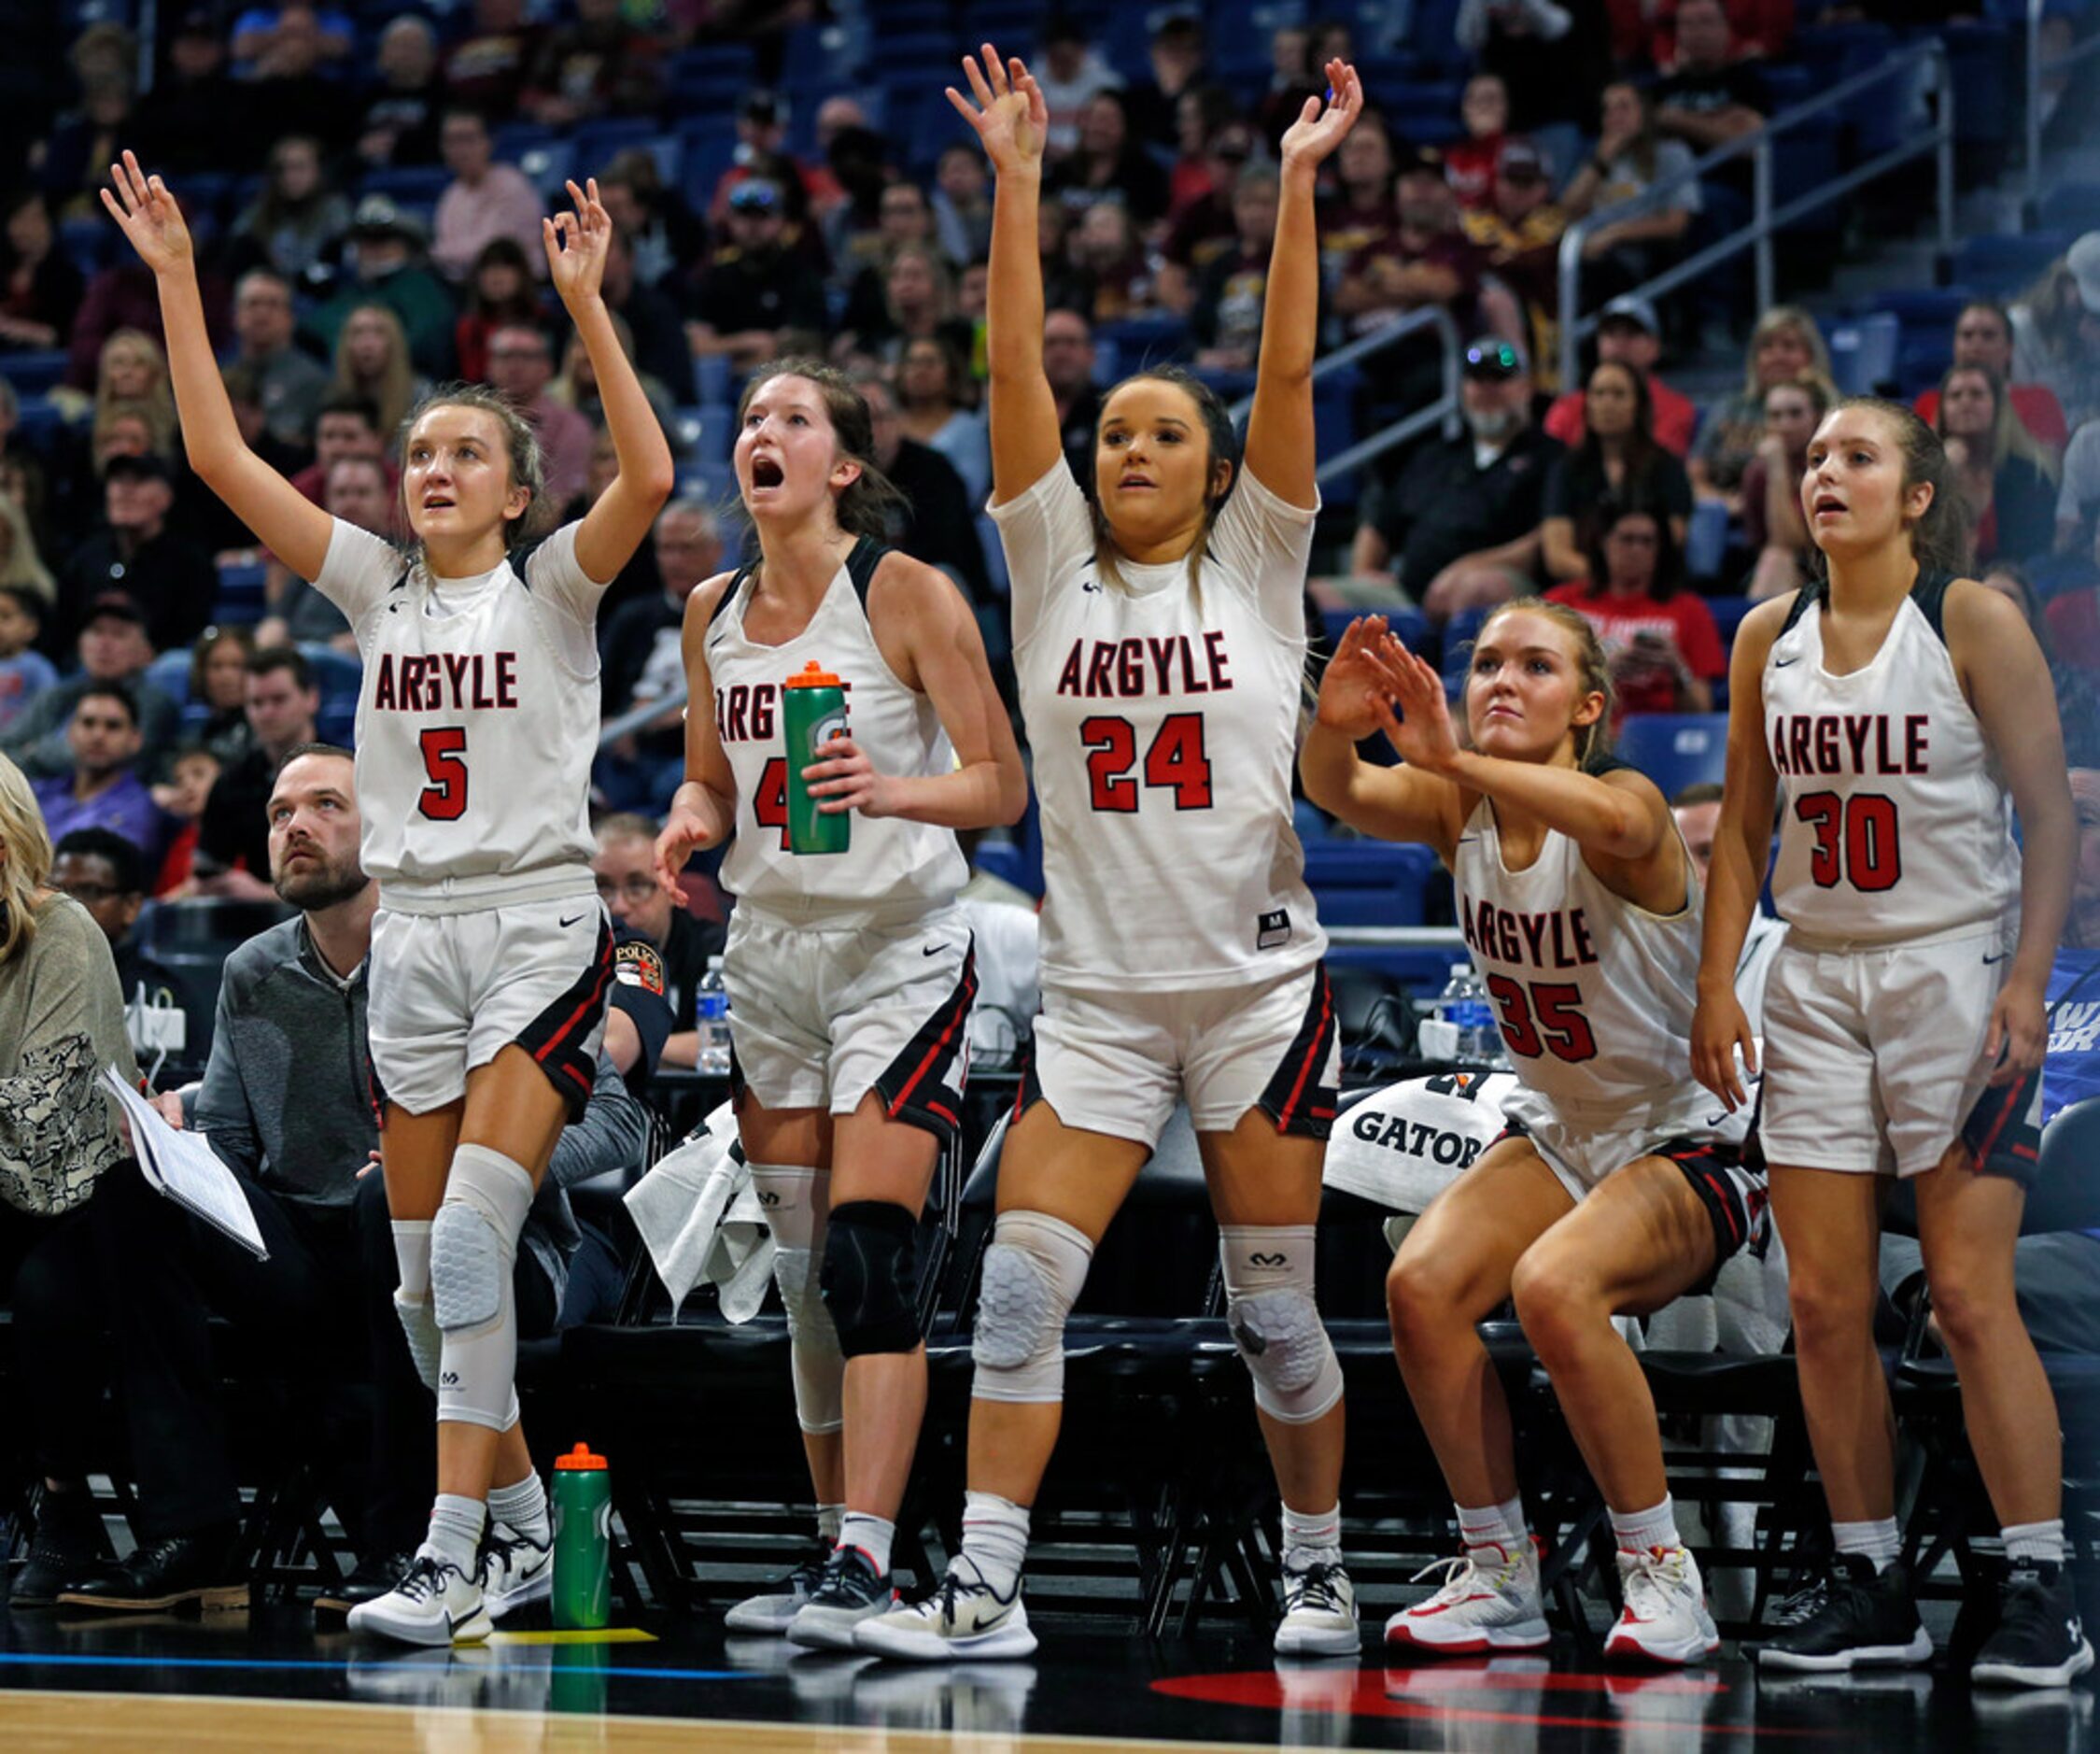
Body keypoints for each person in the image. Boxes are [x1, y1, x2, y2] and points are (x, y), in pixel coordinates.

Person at [104, 152, 673, 1646]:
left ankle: (447, 1550)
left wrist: (585, 310)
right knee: (425, 1294)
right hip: (416, 935)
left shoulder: (552, 586)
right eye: (419, 453)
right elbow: (226, 463)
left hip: (539, 924)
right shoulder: (376, 588)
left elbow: (656, 480)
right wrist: (177, 279)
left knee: (477, 1243)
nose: (432, 470)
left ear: (513, 481)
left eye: (463, 453)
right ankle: (528, 1530)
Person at [854, 49, 1364, 1669]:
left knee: (1276, 1311)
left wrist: (1291, 185)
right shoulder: (1047, 563)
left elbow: (1282, 382)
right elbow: (1010, 358)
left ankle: (1317, 1565)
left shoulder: (1261, 563)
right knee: (1013, 1291)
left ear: (1215, 474)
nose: (1125, 447)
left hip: (1254, 996)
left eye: (1160, 433)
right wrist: (1013, 179)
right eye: (1109, 433)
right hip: (1095, 1004)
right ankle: (983, 1590)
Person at [1691, 398, 2089, 1689]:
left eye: (1856, 456)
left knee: (1968, 1297)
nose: (1825, 474)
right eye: (1812, 458)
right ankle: (1869, 1581)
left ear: (1916, 495)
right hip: (1813, 979)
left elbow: (2048, 816)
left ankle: (2041, 1585)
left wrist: (2028, 983)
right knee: (1820, 1303)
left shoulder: (1967, 619)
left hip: (1950, 972)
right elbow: (1742, 828)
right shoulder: (1766, 636)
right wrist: (1716, 987)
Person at [1302, 600, 1760, 1665]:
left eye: (1535, 667)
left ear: (1587, 707)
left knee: (1554, 1285)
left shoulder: (1623, 793)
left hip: (1687, 1136)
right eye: (1486, 663)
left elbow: (1619, 830)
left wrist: (1456, 757)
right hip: (1560, 1129)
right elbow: (1341, 790)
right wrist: (1331, 725)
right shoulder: (1457, 809)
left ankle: (1662, 1575)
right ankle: (1501, 1573)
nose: (1500, 679)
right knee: (1418, 1288)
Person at [649, 347, 1023, 1649]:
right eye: (752, 415)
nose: (764, 432)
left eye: (793, 418)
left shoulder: (904, 591)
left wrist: (894, 788)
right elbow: (709, 773)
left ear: (842, 465)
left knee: (872, 1261)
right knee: (808, 1277)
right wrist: (689, 820)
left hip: (897, 945)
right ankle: (833, 1552)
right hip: (770, 951)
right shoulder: (708, 608)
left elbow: (999, 784)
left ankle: (875, 1557)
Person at [0, 751, 145, 1608]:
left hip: (81, 1199)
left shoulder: (63, 934)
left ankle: (67, 1508)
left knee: (46, 1288)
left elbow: (41, 1119)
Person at [1344, 338, 1559, 619]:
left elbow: (1549, 536)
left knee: (1473, 589)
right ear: (1462, 390)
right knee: (1310, 598)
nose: (1487, 390)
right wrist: (1364, 572)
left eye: (1499, 379)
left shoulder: (1551, 456)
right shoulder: (1434, 456)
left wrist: (1469, 566)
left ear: (1526, 387)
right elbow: (1380, 523)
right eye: (1477, 380)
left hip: (1504, 584)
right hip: (1410, 591)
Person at [1548, 507, 1725, 717]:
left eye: (1647, 542)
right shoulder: (1562, 603)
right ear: (1603, 543)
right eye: (1627, 539)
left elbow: (1702, 713)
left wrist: (1678, 670)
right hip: (1581, 727)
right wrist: (1603, 674)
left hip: (1658, 733)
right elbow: (1539, 688)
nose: (1636, 550)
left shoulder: (1690, 610)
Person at [1540, 361, 1694, 586]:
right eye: (1599, 394)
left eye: (1619, 394)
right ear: (1587, 404)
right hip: (1583, 588)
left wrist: (1627, 582)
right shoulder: (1566, 468)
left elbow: (1671, 544)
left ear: (1638, 405)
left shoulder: (1667, 466)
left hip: (1652, 591)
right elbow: (1557, 556)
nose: (1607, 403)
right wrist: (1609, 580)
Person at [592, 813, 725, 1070]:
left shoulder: (714, 952)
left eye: (637, 886)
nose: (619, 906)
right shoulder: (571, 955)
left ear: (670, 886)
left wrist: (629, 1045)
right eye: (603, 888)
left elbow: (731, 1042)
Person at [2, 594, 180, 782]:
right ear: (80, 644)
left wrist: (36, 751)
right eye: (96, 632)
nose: (104, 644)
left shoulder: (154, 703)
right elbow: (4, 752)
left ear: (146, 650)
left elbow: (123, 764)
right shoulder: (59, 695)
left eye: (119, 634)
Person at [191, 646, 320, 899]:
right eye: (256, 703)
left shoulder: (347, 773)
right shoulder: (231, 782)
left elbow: (354, 880)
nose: (266, 713)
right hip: (252, 923)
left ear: (311, 699)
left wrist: (264, 894)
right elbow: (207, 871)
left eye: (279, 700)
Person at [61, 453, 217, 654]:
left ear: (166, 497)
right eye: (118, 481)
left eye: (139, 481)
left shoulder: (190, 562)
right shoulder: (85, 558)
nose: (125, 491)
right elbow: (63, 632)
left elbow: (193, 634)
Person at [1690, 306, 1833, 515]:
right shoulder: (1729, 407)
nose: (1777, 355)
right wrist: (1717, 502)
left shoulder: (1829, 411)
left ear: (1810, 356)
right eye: (1767, 347)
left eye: (1789, 346)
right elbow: (1695, 473)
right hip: (1721, 513)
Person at [685, 178, 830, 371]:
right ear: (730, 221)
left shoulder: (800, 274)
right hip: (726, 373)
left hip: (779, 376)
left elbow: (795, 347)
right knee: (708, 368)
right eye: (744, 216)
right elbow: (696, 344)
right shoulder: (715, 276)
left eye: (762, 216)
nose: (753, 226)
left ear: (781, 221)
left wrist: (734, 351)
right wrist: (750, 341)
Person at [1932, 364, 2059, 568]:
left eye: (1977, 394)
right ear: (1943, 409)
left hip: (2011, 588)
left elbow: (2035, 555)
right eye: (1955, 396)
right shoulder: (1924, 476)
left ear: (1998, 406)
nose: (1965, 402)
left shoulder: (2027, 476)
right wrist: (1941, 474)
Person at [1543, 296, 1697, 459]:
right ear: (1598, 344)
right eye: (1610, 333)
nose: (1620, 342)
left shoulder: (1677, 409)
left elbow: (1659, 468)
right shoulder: (1566, 409)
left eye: (1631, 334)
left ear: (1654, 347)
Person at [1914, 300, 2070, 456]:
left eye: (1988, 336)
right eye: (1967, 336)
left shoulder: (2039, 400)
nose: (1976, 345)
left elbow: (2048, 468)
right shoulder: (1929, 402)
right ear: (1954, 345)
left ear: (2009, 348)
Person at [31, 685, 167, 863]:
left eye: (113, 726)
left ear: (135, 740)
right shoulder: (37, 793)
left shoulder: (141, 808)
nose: (98, 735)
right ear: (70, 733)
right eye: (88, 723)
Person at [486, 323, 595, 511]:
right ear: (490, 366)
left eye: (527, 357)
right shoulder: (471, 424)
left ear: (547, 367)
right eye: (506, 356)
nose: (515, 366)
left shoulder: (572, 427)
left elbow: (558, 504)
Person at [1743, 375, 1831, 602]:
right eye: (1775, 416)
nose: (1785, 425)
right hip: (1784, 571)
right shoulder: (1757, 472)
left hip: (1833, 567)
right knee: (1775, 560)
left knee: (1777, 559)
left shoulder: (1832, 468)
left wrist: (1777, 470)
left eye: (1795, 413)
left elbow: (1791, 541)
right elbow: (1767, 543)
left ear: (1817, 417)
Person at [432, 107, 547, 283]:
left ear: (488, 142)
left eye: (468, 139)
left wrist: (439, 255)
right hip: (468, 286)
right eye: (451, 141)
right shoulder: (452, 194)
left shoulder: (511, 185)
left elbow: (493, 250)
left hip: (524, 286)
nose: (460, 149)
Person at [230, 270, 330, 455]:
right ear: (236, 316)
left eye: (273, 304)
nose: (261, 313)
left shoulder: (313, 381)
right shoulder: (220, 378)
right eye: (253, 304)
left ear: (290, 318)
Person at [0, 583, 55, 741]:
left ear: (31, 628)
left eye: (6, 616)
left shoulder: (37, 667)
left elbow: (48, 710)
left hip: (19, 745)